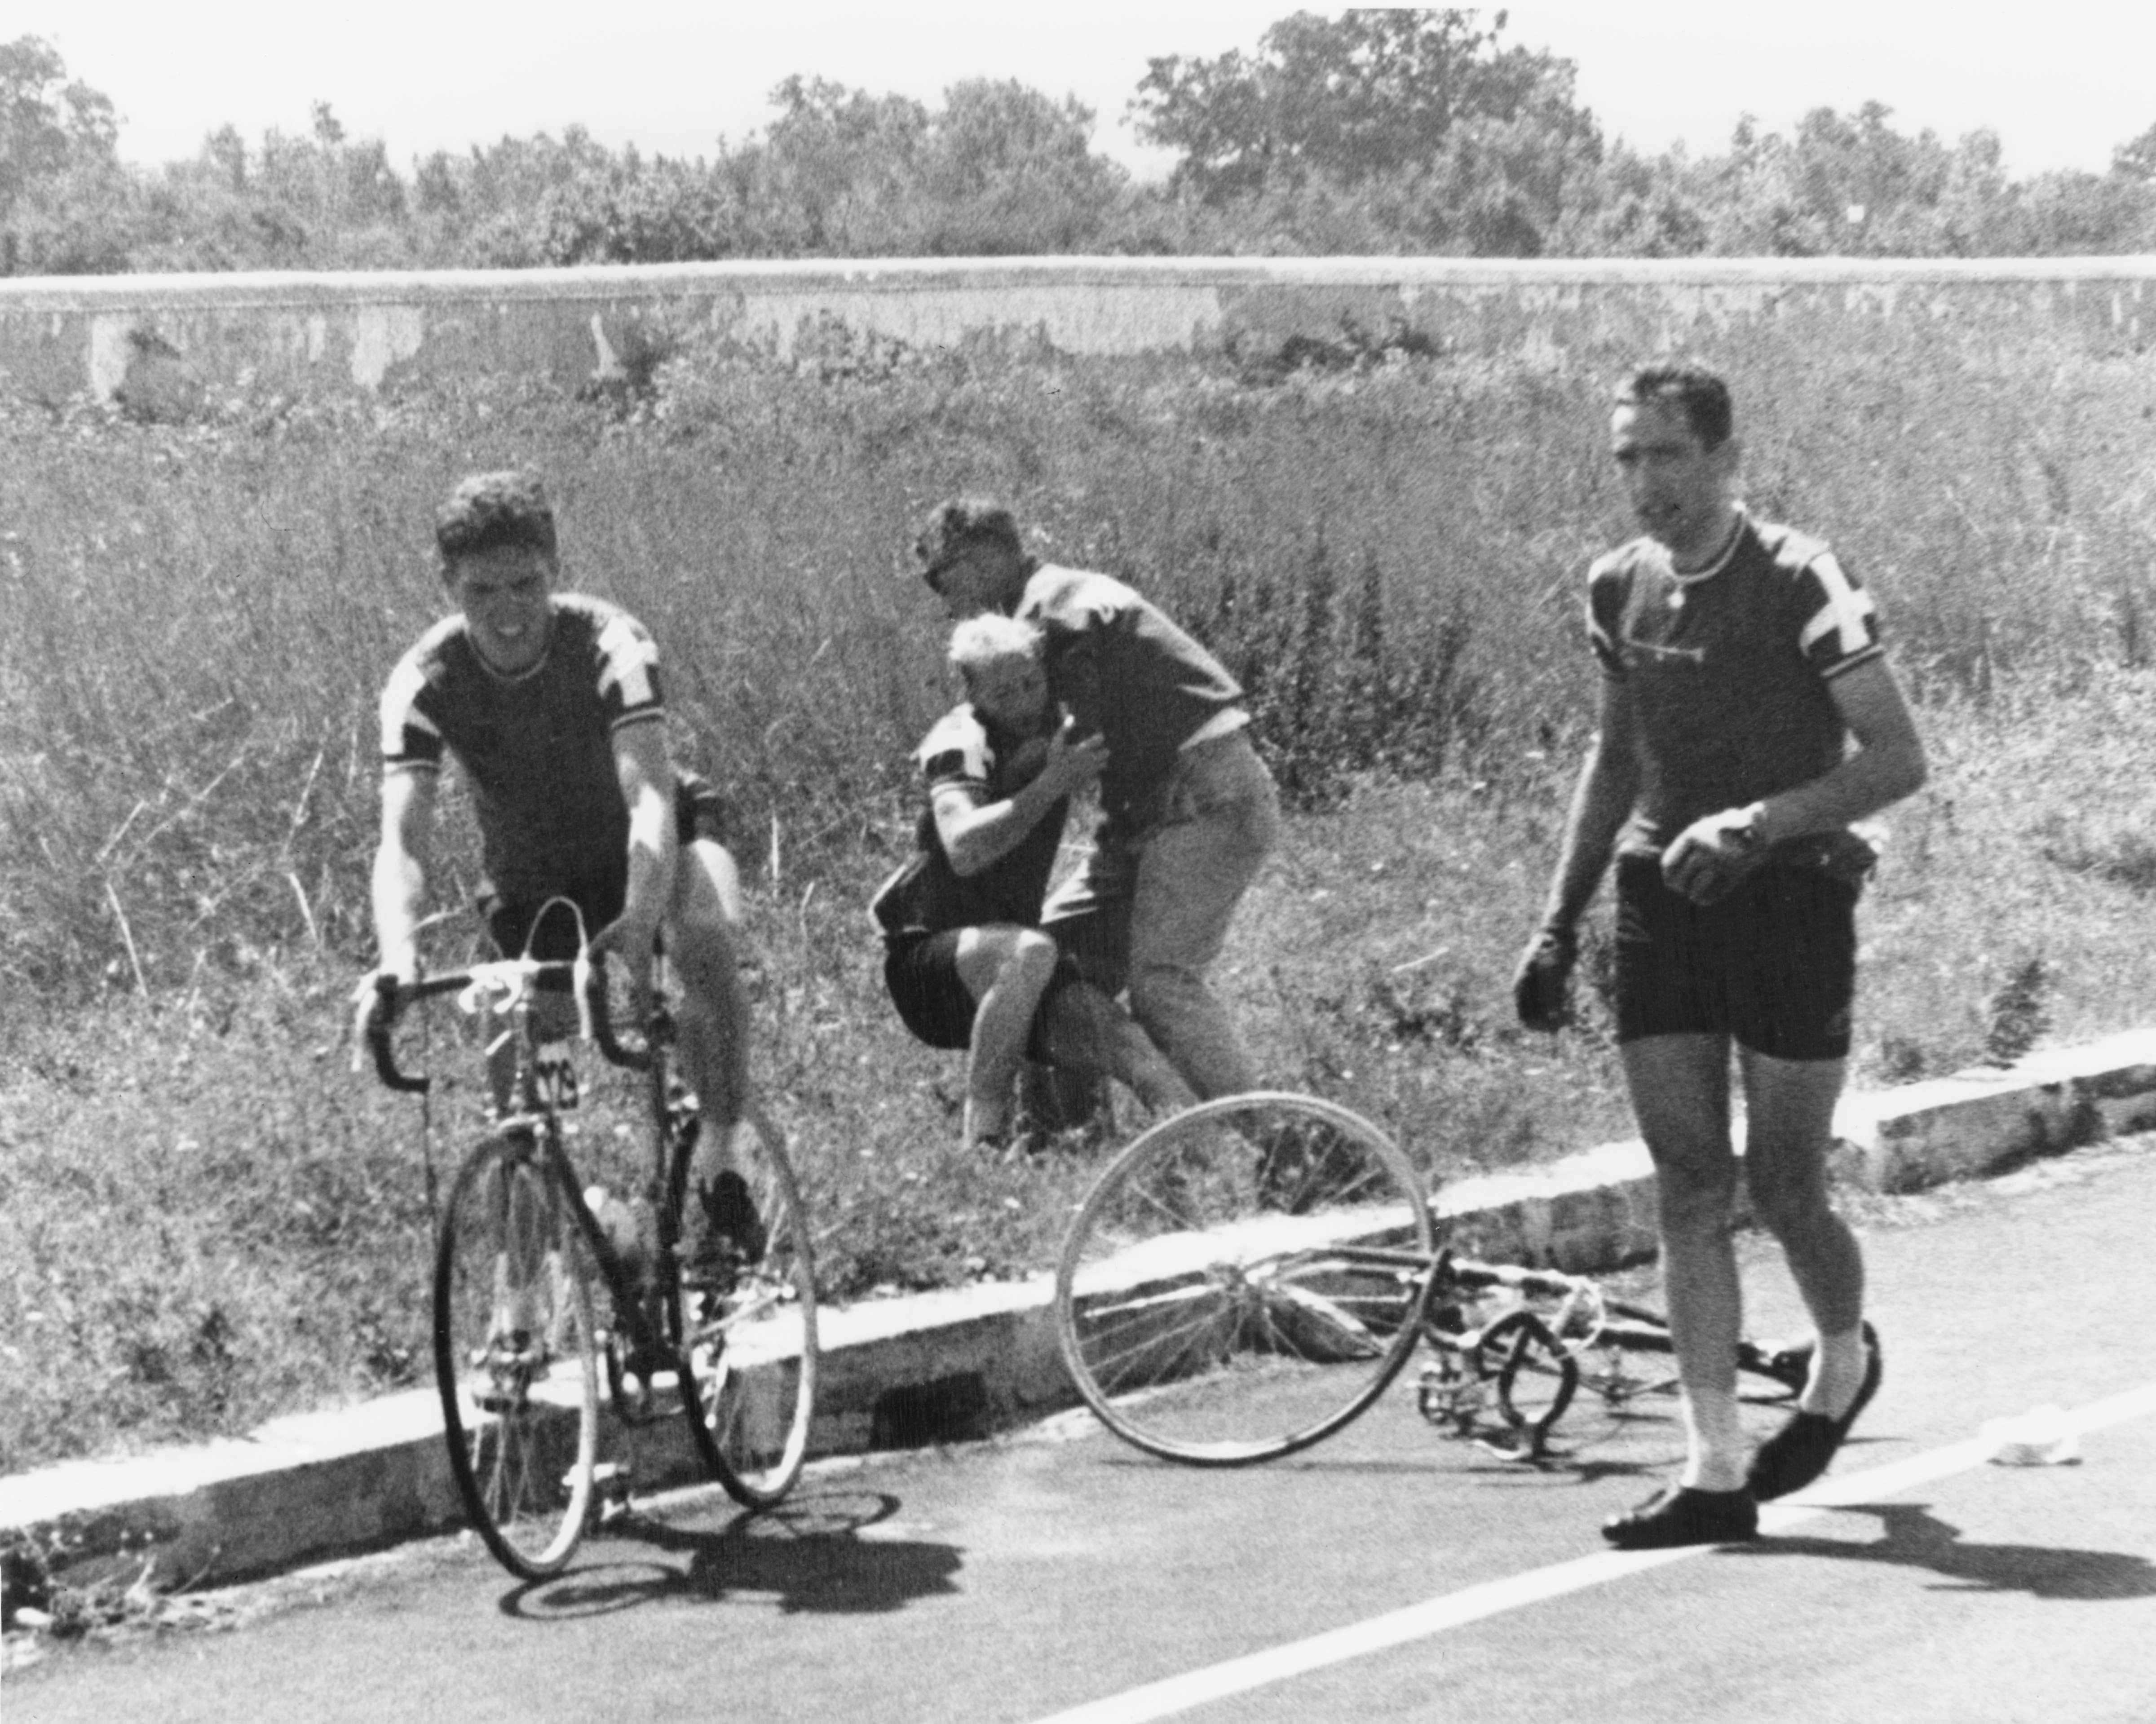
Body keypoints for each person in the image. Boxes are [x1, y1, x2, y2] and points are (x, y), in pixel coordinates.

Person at [1513, 362, 1928, 1550]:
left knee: (1787, 1180)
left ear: (1725, 457)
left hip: (1790, 895)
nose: (1646, 481)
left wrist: (1760, 822)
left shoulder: (1802, 575)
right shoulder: (1616, 585)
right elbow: (1615, 759)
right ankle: (1713, 1467)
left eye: (1668, 455)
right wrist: (1557, 918)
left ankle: (1841, 1364)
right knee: (1690, 1183)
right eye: (1627, 458)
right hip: (1665, 897)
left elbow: (1899, 758)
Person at [358, 469, 761, 1279]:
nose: (508, 610)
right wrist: (397, 957)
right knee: (524, 1095)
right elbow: (403, 838)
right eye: (482, 590)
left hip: (657, 843)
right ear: (447, 585)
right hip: (534, 878)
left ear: (555, 567)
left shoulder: (609, 642)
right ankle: (535, 1285)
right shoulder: (423, 681)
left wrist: (644, 916)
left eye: (526, 583)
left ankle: (726, 1147)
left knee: (705, 933)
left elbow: (649, 791)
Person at [911, 497, 1281, 1105]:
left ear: (979, 558)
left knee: (1160, 981)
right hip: (1162, 804)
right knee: (1049, 960)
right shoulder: (1059, 593)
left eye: (939, 577)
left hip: (1203, 799)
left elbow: (1075, 745)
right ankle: (1065, 1128)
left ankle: (1290, 1146)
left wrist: (966, 776)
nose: (944, 602)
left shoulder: (1043, 620)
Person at [875, 614, 1199, 1149]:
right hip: (929, 968)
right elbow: (964, 849)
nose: (1024, 702)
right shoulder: (960, 737)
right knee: (1028, 951)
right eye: (1004, 692)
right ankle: (982, 1141)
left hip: (1016, 961)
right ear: (973, 690)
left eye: (1031, 683)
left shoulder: (1056, 721)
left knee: (1127, 1043)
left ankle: (1222, 1168)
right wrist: (1051, 784)